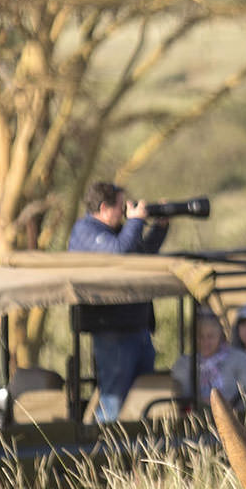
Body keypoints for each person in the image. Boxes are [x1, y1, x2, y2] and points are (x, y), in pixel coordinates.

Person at [68, 180, 170, 420]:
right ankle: (103, 451)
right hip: (112, 334)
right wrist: (136, 221)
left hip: (137, 328)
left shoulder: (117, 232)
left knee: (142, 400)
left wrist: (160, 227)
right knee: (113, 402)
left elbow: (140, 254)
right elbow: (116, 253)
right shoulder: (85, 231)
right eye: (122, 207)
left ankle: (137, 450)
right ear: (104, 208)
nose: (125, 212)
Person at [173, 310, 246, 408]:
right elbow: (182, 396)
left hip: (234, 415)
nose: (205, 342)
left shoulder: (239, 359)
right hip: (196, 416)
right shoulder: (183, 364)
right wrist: (201, 402)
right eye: (200, 336)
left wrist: (228, 405)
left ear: (220, 337)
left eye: (210, 337)